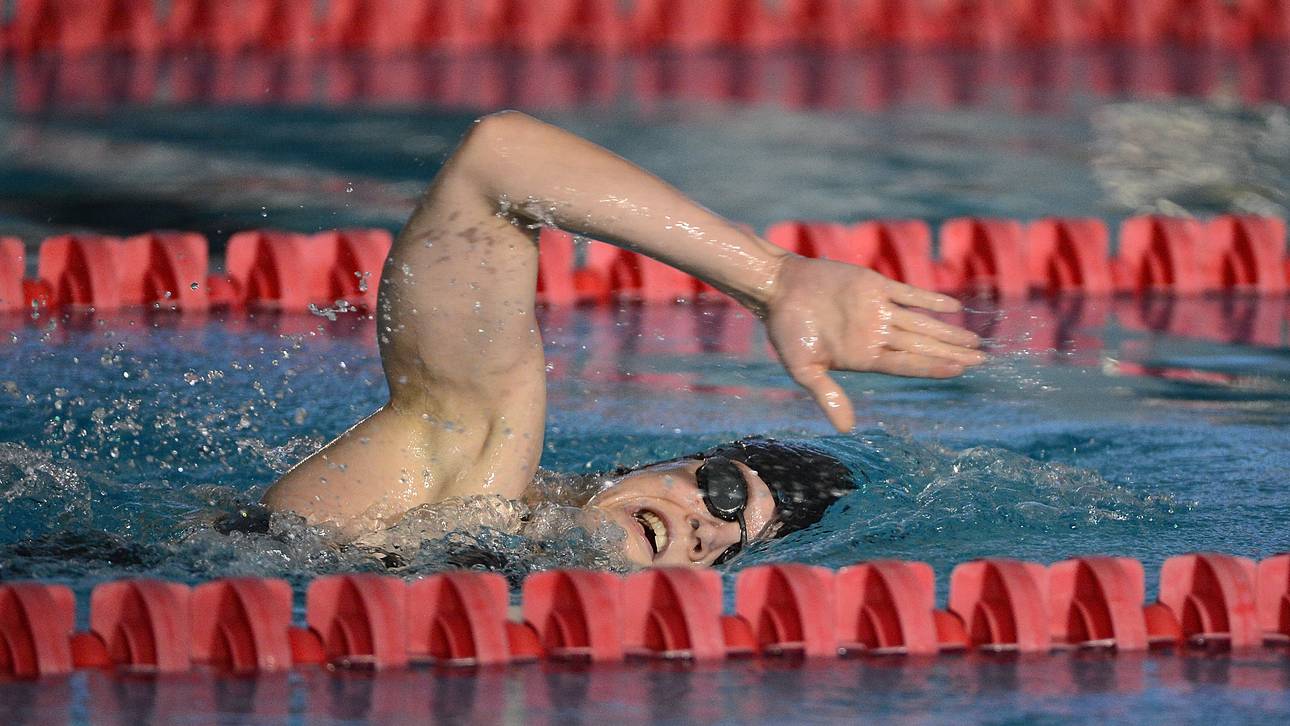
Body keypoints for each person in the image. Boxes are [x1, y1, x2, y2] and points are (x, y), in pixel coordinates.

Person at [262, 111, 986, 567]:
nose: (712, 532)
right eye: (726, 492)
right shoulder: (465, 480)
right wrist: (770, 279)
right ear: (660, 463)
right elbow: (497, 161)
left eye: (735, 550)